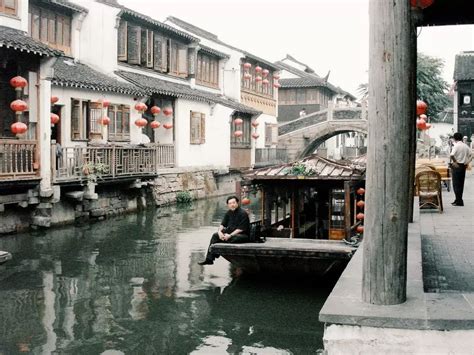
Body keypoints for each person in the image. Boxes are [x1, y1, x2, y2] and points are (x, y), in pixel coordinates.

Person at [198, 196, 250, 265]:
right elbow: (222, 224)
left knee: (234, 238)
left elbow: (240, 229)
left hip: (242, 235)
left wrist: (230, 235)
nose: (232, 205)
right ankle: (209, 259)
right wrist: (220, 232)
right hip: (229, 234)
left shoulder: (243, 213)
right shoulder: (228, 213)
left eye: (233, 203)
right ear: (228, 205)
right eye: (230, 203)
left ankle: (219, 249)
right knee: (215, 236)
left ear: (237, 203)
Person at [450, 132, 472, 206]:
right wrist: (467, 162)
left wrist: (455, 162)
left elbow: (452, 155)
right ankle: (458, 200)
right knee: (461, 184)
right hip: (463, 166)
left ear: (455, 138)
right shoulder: (465, 146)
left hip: (457, 166)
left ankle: (459, 201)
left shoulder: (456, 146)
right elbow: (472, 155)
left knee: (456, 184)